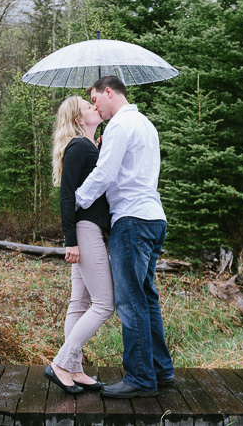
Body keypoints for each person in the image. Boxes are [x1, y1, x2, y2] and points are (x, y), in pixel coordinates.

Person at [75, 75, 174, 398]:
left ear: (108, 92)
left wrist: (76, 200)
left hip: (131, 220)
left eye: (95, 99)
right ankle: (161, 370)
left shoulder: (119, 126)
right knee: (146, 296)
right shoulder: (145, 123)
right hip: (154, 218)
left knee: (130, 301)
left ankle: (141, 379)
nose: (94, 106)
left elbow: (104, 174)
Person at [43, 95, 115, 394]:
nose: (94, 107)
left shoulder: (87, 147)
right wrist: (70, 241)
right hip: (85, 232)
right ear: (78, 120)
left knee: (79, 304)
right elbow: (67, 196)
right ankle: (61, 364)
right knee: (104, 304)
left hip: (89, 229)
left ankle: (74, 368)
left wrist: (98, 151)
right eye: (88, 107)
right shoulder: (78, 146)